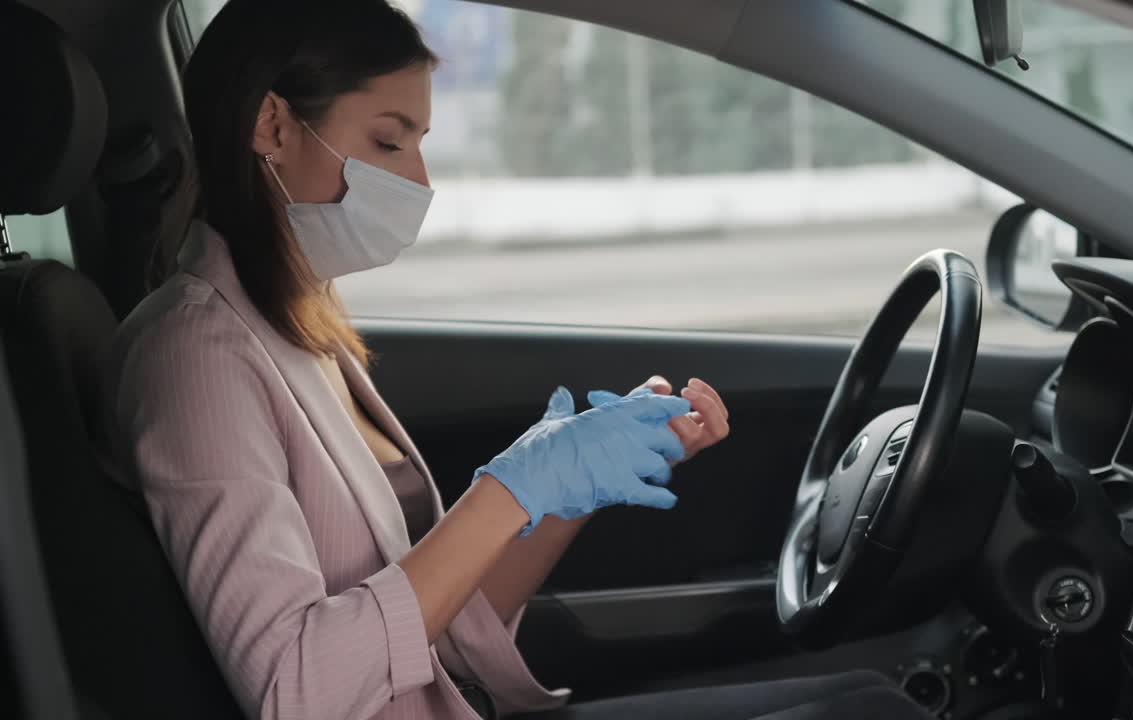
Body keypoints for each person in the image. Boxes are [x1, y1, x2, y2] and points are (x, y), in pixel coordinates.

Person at [99, 1, 929, 718]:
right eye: (389, 142)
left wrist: (562, 492)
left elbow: (434, 629)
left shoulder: (291, 319)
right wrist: (511, 488)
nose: (419, 179)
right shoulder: (198, 359)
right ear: (273, 126)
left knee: (868, 700)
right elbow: (295, 691)